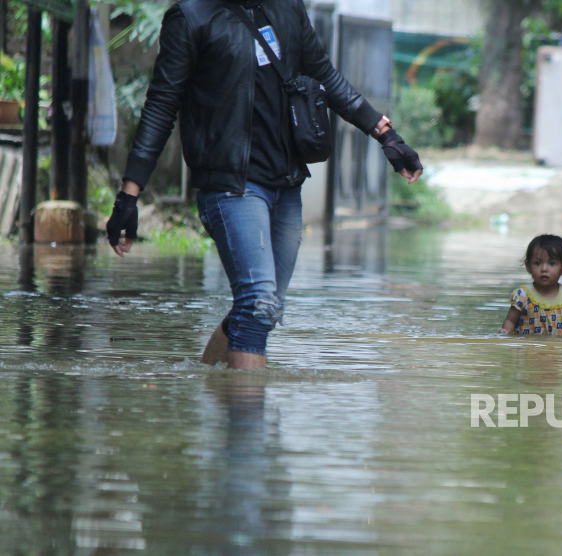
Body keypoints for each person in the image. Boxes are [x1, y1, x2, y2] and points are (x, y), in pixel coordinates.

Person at [105, 0, 423, 369]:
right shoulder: (192, 16)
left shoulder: (287, 8)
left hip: (286, 185)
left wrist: (386, 135)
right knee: (259, 301)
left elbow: (325, 75)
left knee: (263, 309)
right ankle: (248, 415)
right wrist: (129, 195)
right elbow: (160, 106)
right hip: (230, 185)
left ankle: (212, 385)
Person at [500, 234, 562, 336]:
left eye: (552, 263)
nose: (544, 269)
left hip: (559, 350)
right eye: (538, 263)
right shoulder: (522, 295)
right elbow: (510, 320)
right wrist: (506, 331)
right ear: (528, 267)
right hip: (529, 350)